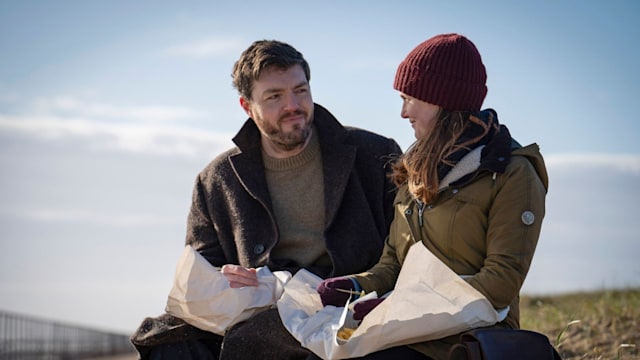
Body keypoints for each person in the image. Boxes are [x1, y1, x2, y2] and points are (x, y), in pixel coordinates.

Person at [130, 39, 402, 360]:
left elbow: (404, 248)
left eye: (300, 91)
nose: (293, 105)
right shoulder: (216, 179)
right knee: (169, 347)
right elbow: (204, 274)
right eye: (275, 96)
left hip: (348, 303)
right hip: (259, 309)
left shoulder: (375, 154)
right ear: (247, 106)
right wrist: (230, 279)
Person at [316, 33, 549, 359]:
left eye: (410, 98)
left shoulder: (512, 173)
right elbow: (393, 265)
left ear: (443, 101)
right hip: (400, 333)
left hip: (469, 342)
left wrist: (397, 309)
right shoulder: (414, 171)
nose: (403, 112)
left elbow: (500, 283)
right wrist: (353, 287)